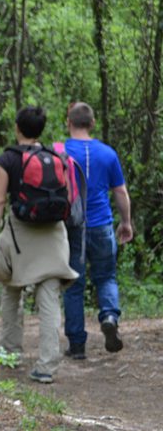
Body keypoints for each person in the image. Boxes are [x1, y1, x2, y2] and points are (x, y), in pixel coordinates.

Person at [0, 106, 78, 384]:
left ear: (17, 128)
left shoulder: (7, 159)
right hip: (54, 233)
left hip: (21, 234)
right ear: (41, 129)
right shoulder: (57, 157)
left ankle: (10, 351)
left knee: (11, 288)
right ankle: (47, 365)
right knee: (48, 297)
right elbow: (69, 196)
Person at [61, 102, 134, 359]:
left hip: (71, 228)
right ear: (92, 124)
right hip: (102, 224)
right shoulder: (108, 154)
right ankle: (110, 316)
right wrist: (126, 223)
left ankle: (77, 346)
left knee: (73, 285)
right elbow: (120, 192)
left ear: (68, 122)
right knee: (106, 277)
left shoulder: (61, 152)